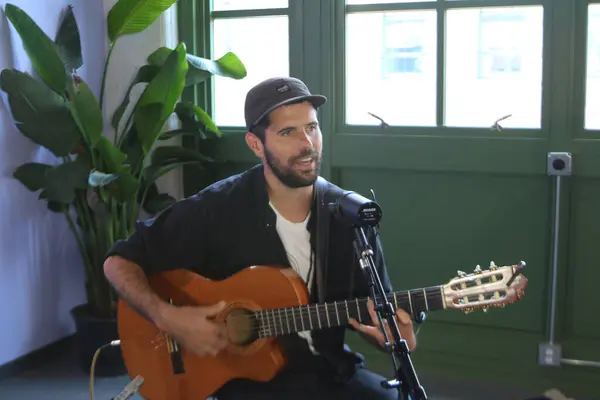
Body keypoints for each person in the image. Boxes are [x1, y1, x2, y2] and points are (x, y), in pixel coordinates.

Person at [103, 77, 418, 399]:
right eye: (288, 132)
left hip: (330, 370)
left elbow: (376, 309)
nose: (306, 143)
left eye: (311, 127)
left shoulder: (351, 216)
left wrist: (394, 334)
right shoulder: (216, 209)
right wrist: (168, 317)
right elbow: (118, 262)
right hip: (246, 382)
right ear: (256, 145)